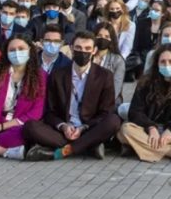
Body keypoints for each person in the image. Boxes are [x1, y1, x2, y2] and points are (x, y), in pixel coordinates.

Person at [23, 30, 122, 160]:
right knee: (30, 126)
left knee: (113, 121)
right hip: (63, 131)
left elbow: (106, 112)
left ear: (94, 50)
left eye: (87, 48)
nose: (83, 52)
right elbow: (49, 112)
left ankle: (65, 151)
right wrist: (63, 126)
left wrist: (82, 128)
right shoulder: (57, 75)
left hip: (89, 128)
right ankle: (88, 146)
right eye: (78, 48)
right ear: (71, 48)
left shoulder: (104, 75)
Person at [117, 44, 171, 162]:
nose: (167, 65)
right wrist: (151, 127)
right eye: (163, 62)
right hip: (148, 129)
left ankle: (139, 148)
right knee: (125, 130)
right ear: (157, 63)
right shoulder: (146, 82)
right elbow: (135, 111)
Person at [91, 22, 126, 106]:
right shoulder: (87, 56)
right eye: (99, 36)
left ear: (112, 39)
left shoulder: (118, 60)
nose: (102, 39)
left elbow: (115, 89)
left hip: (108, 103)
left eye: (107, 37)